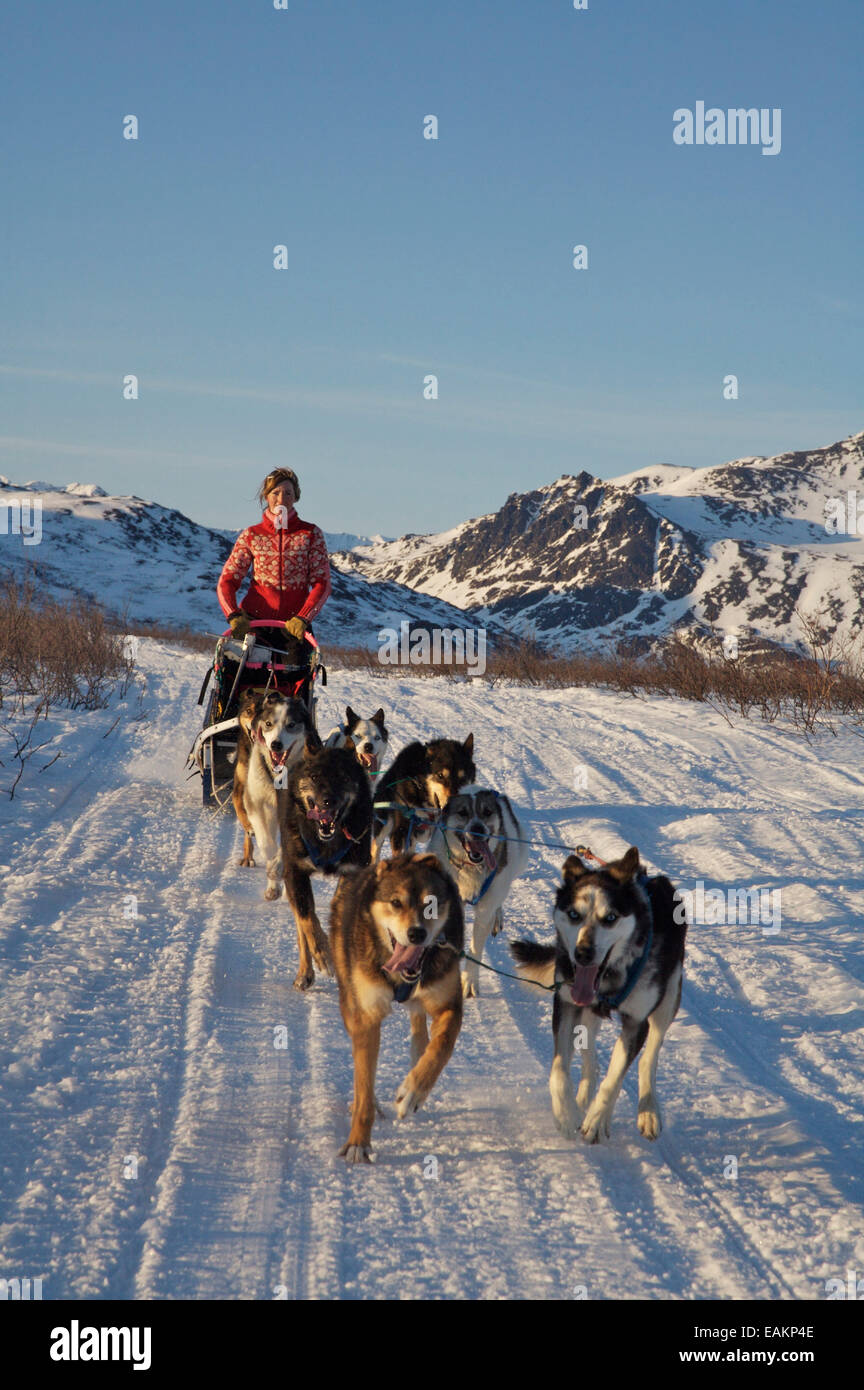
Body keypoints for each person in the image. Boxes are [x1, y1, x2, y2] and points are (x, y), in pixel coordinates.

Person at [217, 468, 331, 643]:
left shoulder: (310, 534)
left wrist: (303, 617)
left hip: (295, 625)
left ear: (296, 497)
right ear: (266, 496)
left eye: (288, 493)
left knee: (297, 671)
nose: (281, 499)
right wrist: (233, 615)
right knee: (239, 669)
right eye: (275, 492)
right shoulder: (251, 535)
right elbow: (227, 580)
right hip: (253, 622)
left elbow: (322, 583)